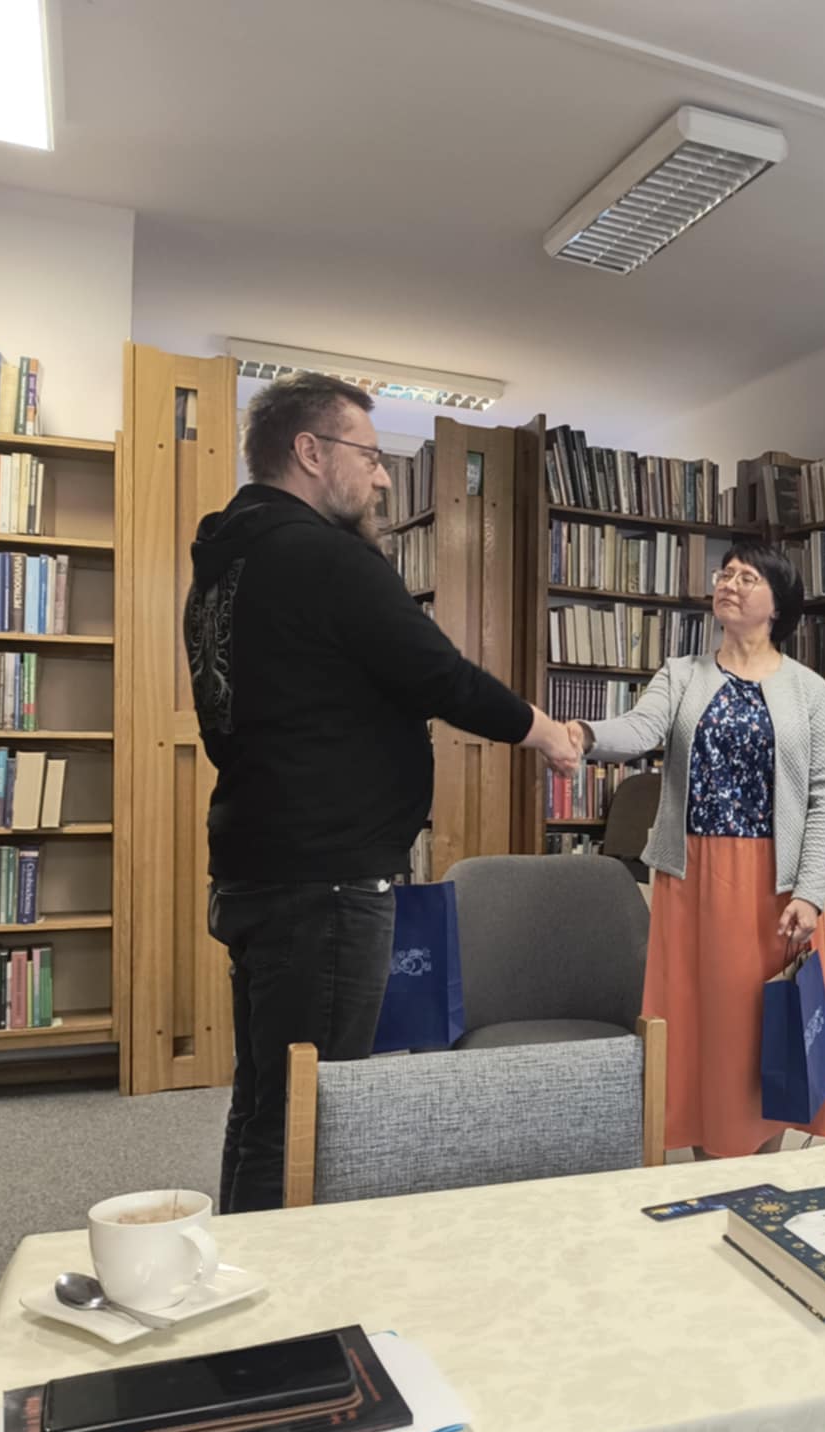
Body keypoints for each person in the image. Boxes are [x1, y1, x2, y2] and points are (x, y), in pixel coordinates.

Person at [186, 373, 576, 1213]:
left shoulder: (224, 567)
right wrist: (543, 730)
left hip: (255, 867)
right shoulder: (322, 558)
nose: (385, 478)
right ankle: (286, 1290)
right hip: (324, 880)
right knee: (314, 1115)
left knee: (265, 1102)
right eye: (369, 455)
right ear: (310, 451)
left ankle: (244, 1264)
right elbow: (436, 672)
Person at [556, 543, 825, 1158]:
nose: (730, 584)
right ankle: (705, 1171)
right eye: (726, 574)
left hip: (775, 887)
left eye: (748, 577)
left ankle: (759, 1173)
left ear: (778, 603)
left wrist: (812, 893)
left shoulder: (809, 691)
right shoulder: (682, 674)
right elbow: (641, 728)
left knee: (763, 1031)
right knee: (698, 1030)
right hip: (693, 880)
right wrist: (585, 732)